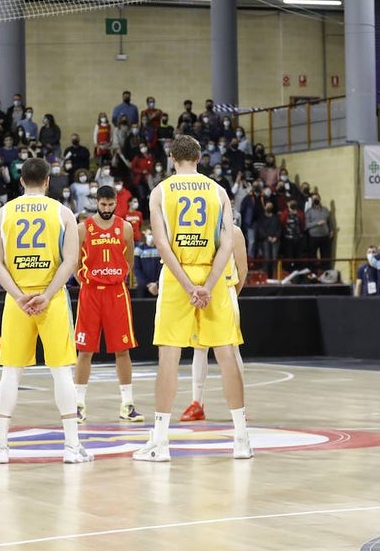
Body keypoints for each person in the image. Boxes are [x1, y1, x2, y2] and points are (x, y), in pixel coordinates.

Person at [134, 135, 250, 462]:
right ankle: (241, 439)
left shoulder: (161, 191)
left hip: (177, 276)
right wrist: (210, 284)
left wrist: (187, 286)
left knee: (169, 358)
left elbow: (161, 243)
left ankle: (160, 442)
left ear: (172, 158)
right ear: (200, 157)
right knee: (227, 355)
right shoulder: (218, 191)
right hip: (212, 276)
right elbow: (228, 243)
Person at [0, 158, 90, 464]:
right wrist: (46, 295)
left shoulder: (2, 214)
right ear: (48, 181)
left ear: (21, 181)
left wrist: (18, 296)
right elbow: (70, 262)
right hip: (52, 299)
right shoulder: (63, 213)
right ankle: (71, 447)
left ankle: (0, 447)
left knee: (10, 373)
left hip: (17, 302)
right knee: (61, 372)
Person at [73, 185, 142, 423]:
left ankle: (127, 404)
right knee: (85, 351)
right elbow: (73, 261)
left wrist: (116, 275)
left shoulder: (125, 227)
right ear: (96, 202)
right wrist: (83, 278)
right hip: (90, 293)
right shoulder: (83, 228)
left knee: (122, 350)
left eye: (110, 205)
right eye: (103, 204)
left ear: (116, 203)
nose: (106, 209)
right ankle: (78, 405)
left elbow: (129, 259)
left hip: (116, 293)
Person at [181, 224, 247, 422]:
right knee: (199, 348)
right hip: (202, 292)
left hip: (224, 292)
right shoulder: (198, 230)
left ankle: (240, 404)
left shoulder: (234, 232)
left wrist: (232, 295)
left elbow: (242, 269)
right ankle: (196, 403)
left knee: (232, 348)